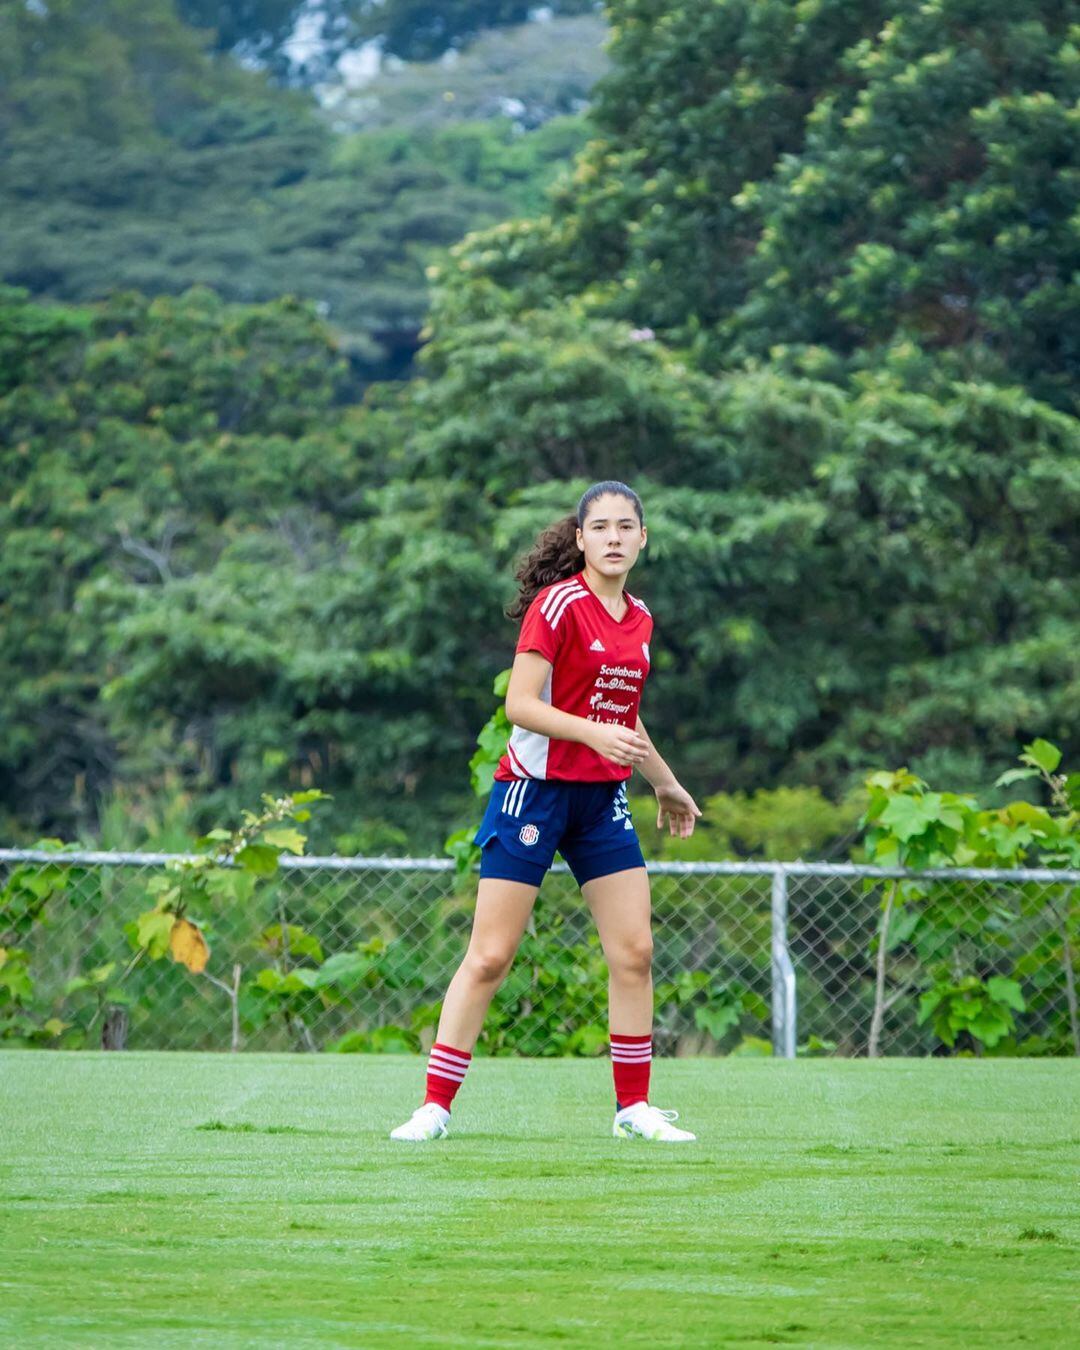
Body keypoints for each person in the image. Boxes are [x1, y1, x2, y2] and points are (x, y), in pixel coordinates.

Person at [390, 481, 702, 1143]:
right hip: (535, 792)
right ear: (581, 538)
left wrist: (666, 784)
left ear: (643, 538)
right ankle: (434, 1109)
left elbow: (623, 718)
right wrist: (591, 733)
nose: (615, 538)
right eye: (601, 528)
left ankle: (633, 1110)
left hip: (601, 799)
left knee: (635, 952)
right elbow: (522, 706)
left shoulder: (640, 620)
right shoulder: (558, 606)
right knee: (491, 955)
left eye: (626, 527)